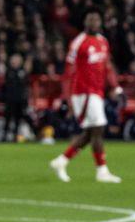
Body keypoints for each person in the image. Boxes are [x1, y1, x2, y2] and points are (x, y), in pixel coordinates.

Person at [49, 10, 123, 183]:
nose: (94, 23)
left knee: (91, 132)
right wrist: (67, 97)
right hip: (83, 92)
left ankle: (62, 161)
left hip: (97, 91)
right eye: (91, 20)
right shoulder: (78, 43)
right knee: (98, 128)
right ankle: (101, 171)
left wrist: (115, 86)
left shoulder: (103, 42)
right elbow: (68, 72)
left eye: (96, 20)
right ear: (85, 23)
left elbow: (107, 66)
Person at [1, 53, 30, 142]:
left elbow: (25, 85)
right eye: (14, 60)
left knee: (18, 118)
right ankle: (4, 136)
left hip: (19, 100)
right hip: (10, 99)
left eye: (17, 60)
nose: (15, 62)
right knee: (7, 118)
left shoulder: (23, 71)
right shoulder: (9, 71)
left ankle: (15, 136)